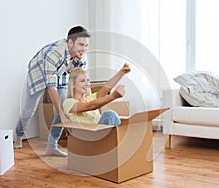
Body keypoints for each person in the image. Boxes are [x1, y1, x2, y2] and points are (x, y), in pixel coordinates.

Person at [14, 26, 91, 157]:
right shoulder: (54, 53)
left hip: (62, 74)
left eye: (86, 45)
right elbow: (51, 87)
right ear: (70, 43)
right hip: (38, 73)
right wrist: (61, 114)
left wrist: (86, 100)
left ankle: (52, 146)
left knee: (64, 109)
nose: (84, 49)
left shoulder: (81, 58)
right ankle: (18, 135)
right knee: (29, 110)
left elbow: (81, 79)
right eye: (81, 44)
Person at [63, 63, 131, 126]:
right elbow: (90, 106)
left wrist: (122, 72)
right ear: (73, 84)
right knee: (109, 114)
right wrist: (113, 96)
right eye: (82, 81)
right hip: (87, 136)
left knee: (110, 114)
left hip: (99, 133)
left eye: (88, 80)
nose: (87, 84)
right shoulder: (68, 103)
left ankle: (117, 138)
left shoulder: (89, 99)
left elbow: (105, 89)